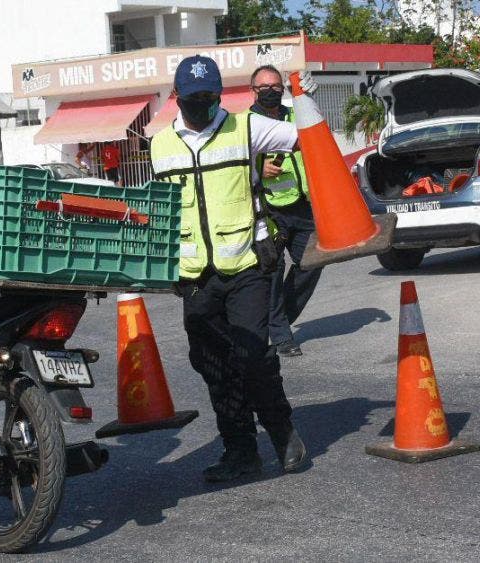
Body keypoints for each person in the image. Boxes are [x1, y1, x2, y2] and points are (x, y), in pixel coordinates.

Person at [150, 55, 317, 482]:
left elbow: (311, 140)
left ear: (221, 95)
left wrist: (304, 100)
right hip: (195, 278)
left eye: (210, 97)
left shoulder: (246, 127)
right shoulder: (160, 144)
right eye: (194, 99)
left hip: (246, 264)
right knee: (214, 365)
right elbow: (161, 214)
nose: (203, 105)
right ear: (176, 98)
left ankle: (282, 433)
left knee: (253, 356)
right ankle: (240, 451)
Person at [249, 65, 323, 358]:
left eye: (275, 86)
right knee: (273, 271)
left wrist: (306, 98)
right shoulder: (246, 124)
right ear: (253, 91)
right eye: (263, 87)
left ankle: (276, 321)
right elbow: (237, 161)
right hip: (268, 207)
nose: (270, 91)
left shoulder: (295, 116)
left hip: (302, 205)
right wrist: (257, 167)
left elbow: (317, 136)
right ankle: (281, 336)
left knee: (313, 262)